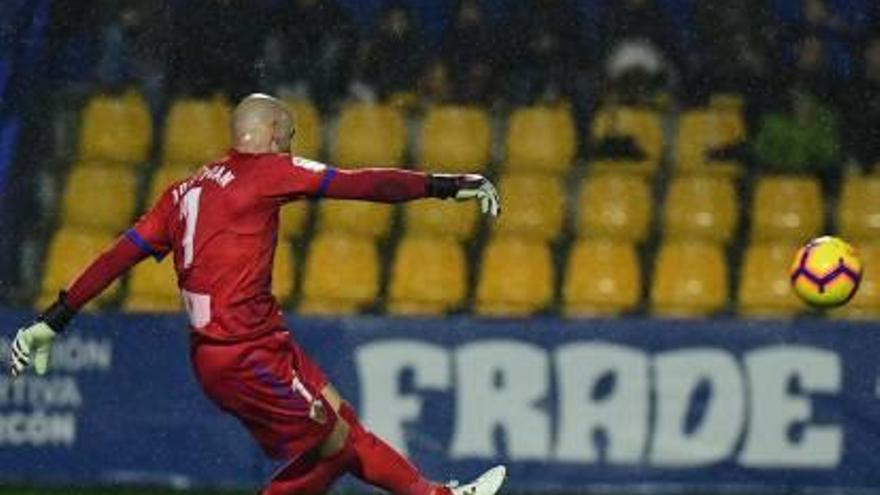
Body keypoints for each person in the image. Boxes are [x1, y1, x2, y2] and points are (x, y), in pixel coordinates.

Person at [8, 94, 505, 495]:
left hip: (253, 341)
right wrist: (442, 185)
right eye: (288, 136)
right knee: (333, 443)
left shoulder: (182, 192)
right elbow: (362, 184)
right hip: (240, 354)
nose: (291, 146)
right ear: (270, 134)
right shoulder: (266, 171)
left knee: (343, 423)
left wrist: (53, 319)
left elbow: (118, 255)